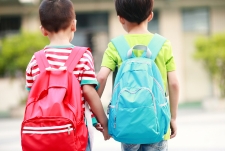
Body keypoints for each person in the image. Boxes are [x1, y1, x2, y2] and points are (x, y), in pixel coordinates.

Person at [25, 0, 110, 150]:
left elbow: (31, 98)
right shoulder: (83, 57)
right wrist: (103, 122)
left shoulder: (35, 60)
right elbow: (89, 92)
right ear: (74, 25)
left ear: (43, 30)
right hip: (75, 136)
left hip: (42, 137)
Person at [96, 0, 179, 150]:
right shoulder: (163, 44)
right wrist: (173, 117)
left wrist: (97, 115)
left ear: (120, 18)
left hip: (126, 123)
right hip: (157, 123)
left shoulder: (115, 45)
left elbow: (101, 77)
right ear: (150, 15)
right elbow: (174, 83)